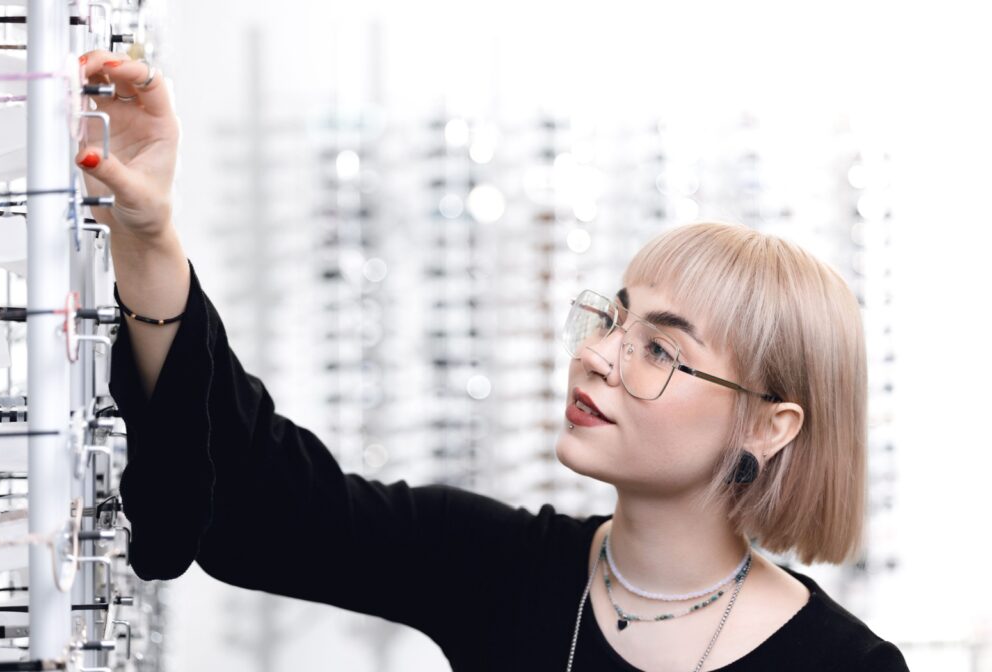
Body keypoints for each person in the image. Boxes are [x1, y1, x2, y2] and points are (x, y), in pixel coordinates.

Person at [77, 49, 911, 672]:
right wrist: (148, 237)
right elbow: (259, 500)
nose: (597, 358)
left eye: (659, 348)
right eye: (613, 320)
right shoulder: (498, 567)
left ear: (771, 424)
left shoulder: (848, 665)